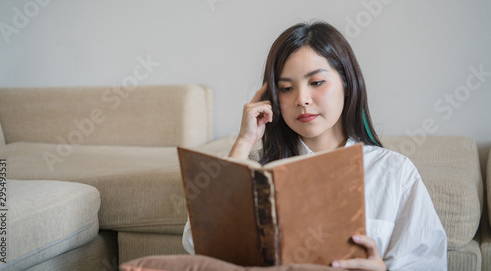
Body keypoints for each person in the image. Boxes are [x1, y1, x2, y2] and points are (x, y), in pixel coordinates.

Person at [183, 21, 447, 271]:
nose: (302, 99)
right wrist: (243, 142)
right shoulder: (258, 171)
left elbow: (429, 262)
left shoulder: (393, 171)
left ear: (346, 83)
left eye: (317, 83)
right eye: (286, 88)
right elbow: (198, 245)